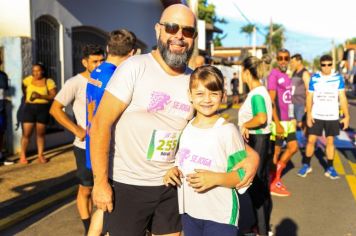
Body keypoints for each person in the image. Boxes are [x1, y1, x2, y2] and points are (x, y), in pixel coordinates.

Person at [89, 4, 259, 236]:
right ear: (158, 30)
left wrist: (252, 155)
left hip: (173, 186)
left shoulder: (194, 82)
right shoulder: (134, 68)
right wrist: (100, 183)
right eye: (172, 27)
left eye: (187, 31)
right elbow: (100, 124)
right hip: (129, 185)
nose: (179, 35)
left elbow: (210, 126)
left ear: (193, 38)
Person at [164, 65, 256, 236]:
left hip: (220, 215)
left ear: (223, 95)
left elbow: (244, 176)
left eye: (213, 93)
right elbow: (182, 162)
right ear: (190, 95)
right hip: (190, 212)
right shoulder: (186, 128)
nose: (207, 99)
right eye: (200, 93)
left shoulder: (228, 131)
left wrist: (215, 178)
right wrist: (174, 171)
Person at [85, 29, 137, 236]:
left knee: (103, 207)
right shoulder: (117, 77)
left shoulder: (96, 72)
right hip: (108, 150)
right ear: (132, 53)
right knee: (113, 209)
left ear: (107, 49)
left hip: (92, 145)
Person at [49, 44, 105, 234]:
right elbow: (55, 109)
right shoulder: (75, 82)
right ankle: (88, 228)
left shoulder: (108, 79)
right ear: (84, 62)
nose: (99, 64)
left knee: (106, 189)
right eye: (94, 61)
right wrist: (77, 130)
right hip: (84, 147)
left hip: (106, 146)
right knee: (86, 189)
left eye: (101, 60)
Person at [298, 55, 350, 179]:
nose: (326, 67)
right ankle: (306, 165)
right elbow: (309, 97)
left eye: (329, 64)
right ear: (320, 65)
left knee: (330, 142)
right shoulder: (315, 78)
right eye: (323, 65)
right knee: (311, 140)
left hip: (332, 116)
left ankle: (330, 167)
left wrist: (346, 116)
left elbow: (342, 97)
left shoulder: (338, 78)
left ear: (332, 65)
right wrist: (309, 114)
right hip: (317, 115)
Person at [238, 56, 273, 236]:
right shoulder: (260, 91)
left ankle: (262, 230)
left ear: (246, 72)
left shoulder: (257, 93)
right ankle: (263, 226)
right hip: (263, 141)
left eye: (241, 71)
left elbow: (261, 118)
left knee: (257, 188)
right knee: (262, 187)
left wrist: (245, 125)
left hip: (258, 141)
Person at [267, 49, 298, 197]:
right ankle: (274, 182)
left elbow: (287, 100)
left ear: (289, 59)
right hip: (278, 120)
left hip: (288, 120)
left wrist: (292, 118)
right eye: (280, 58)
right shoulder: (274, 74)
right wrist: (277, 123)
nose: (283, 61)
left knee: (293, 147)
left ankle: (274, 178)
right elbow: (271, 100)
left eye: (286, 58)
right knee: (276, 151)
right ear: (277, 59)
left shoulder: (287, 76)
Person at [20, 63, 57, 164]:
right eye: (34, 71)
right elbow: (23, 87)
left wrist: (40, 96)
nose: (36, 73)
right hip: (29, 109)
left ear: (43, 71)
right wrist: (27, 97)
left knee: (40, 134)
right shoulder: (28, 80)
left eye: (38, 70)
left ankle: (40, 155)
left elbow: (53, 96)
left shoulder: (48, 82)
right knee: (26, 133)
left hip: (43, 109)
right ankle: (23, 156)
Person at [290, 53, 310, 131]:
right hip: (292, 103)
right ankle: (295, 141)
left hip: (301, 104)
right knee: (292, 124)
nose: (292, 64)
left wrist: (307, 106)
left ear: (299, 61)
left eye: (293, 62)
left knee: (302, 125)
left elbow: (309, 90)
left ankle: (306, 141)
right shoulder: (294, 72)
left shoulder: (304, 73)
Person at [0, 59, 13, 165]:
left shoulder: (3, 75)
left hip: (1, 109)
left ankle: (0, 156)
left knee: (1, 133)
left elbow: (4, 92)